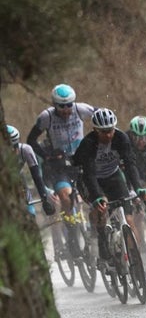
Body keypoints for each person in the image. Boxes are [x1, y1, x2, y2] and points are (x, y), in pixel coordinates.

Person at [72, 108, 146, 274]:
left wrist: (138, 188)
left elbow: (130, 165)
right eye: (103, 132)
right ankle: (102, 243)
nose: (108, 135)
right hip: (90, 179)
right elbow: (89, 175)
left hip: (113, 176)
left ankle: (137, 263)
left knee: (129, 219)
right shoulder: (88, 143)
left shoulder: (121, 138)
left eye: (111, 130)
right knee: (101, 209)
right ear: (95, 130)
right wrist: (98, 197)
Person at [27, 84, 94, 250]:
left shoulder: (81, 109)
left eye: (69, 105)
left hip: (80, 160)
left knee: (94, 192)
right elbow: (31, 140)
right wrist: (46, 156)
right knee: (65, 196)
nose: (66, 110)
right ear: (54, 104)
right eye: (61, 106)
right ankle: (72, 236)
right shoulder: (46, 117)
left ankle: (96, 230)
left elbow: (102, 118)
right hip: (59, 165)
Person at [7, 125, 55, 217]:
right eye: (8, 149)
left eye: (15, 147)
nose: (13, 151)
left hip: (18, 180)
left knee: (30, 213)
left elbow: (36, 176)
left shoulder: (25, 150)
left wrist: (44, 198)